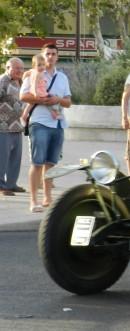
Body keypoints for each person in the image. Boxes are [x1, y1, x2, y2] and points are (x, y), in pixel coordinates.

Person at [19, 43, 71, 213]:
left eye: (53, 54)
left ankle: (47, 197)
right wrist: (43, 100)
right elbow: (23, 96)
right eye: (47, 53)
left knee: (52, 163)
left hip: (58, 123)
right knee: (37, 162)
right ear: (42, 55)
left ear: (57, 57)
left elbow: (68, 102)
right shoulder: (33, 73)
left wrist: (57, 99)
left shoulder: (62, 78)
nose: (50, 57)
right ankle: (34, 200)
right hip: (39, 122)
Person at [0, 57, 26, 196]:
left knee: (15, 157)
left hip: (17, 126)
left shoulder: (21, 82)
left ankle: (11, 184)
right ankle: (1, 186)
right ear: (7, 68)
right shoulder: (2, 81)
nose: (19, 70)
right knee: (2, 157)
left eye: (21, 68)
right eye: (16, 68)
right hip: (3, 126)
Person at [24, 54, 62, 120]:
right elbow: (35, 83)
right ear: (34, 66)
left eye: (43, 65)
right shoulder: (38, 74)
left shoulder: (32, 71)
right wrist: (36, 93)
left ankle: (24, 116)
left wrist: (23, 79)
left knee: (30, 104)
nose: (42, 67)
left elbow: (26, 73)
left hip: (36, 90)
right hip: (39, 91)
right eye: (39, 65)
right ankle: (54, 114)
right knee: (49, 101)